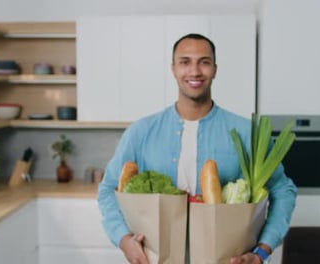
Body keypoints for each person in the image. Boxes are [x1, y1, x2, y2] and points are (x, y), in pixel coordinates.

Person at [97, 33, 297, 264]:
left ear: (215, 69)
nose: (195, 71)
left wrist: (262, 251)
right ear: (173, 69)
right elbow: (108, 190)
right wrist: (123, 240)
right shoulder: (141, 132)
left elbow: (283, 191)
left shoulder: (246, 133)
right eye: (185, 62)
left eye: (204, 62)